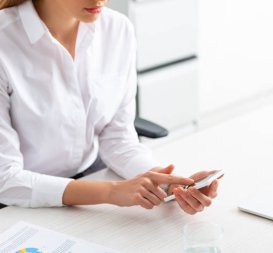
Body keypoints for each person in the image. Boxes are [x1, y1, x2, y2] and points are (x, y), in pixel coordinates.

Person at [0, 0, 220, 214]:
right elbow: (6, 179)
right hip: (20, 204)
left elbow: (118, 139)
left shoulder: (118, 30)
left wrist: (168, 185)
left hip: (89, 181)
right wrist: (111, 192)